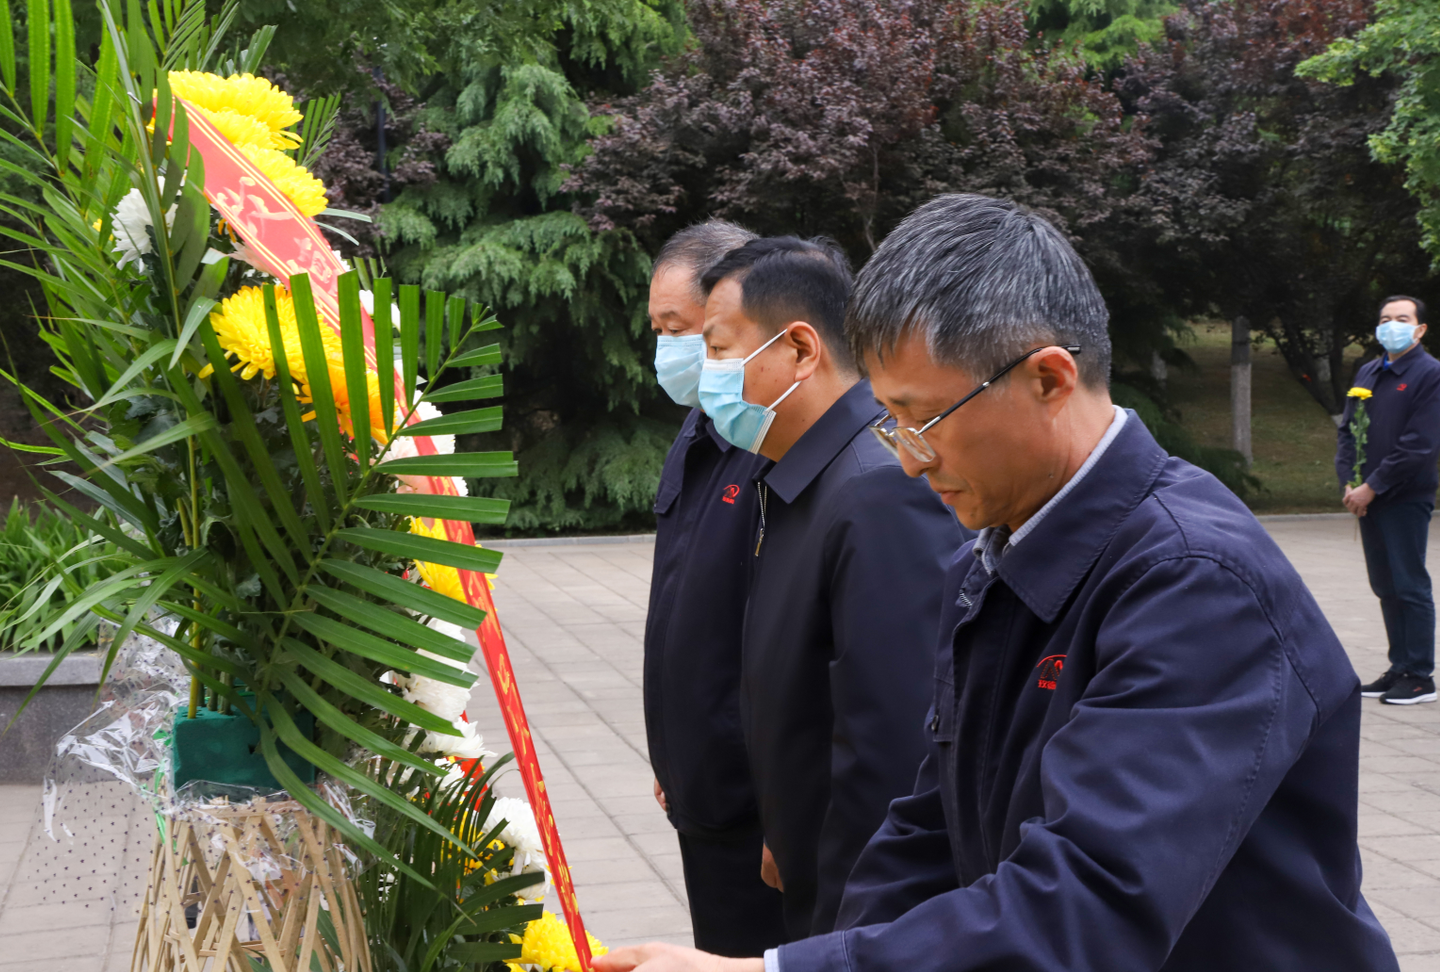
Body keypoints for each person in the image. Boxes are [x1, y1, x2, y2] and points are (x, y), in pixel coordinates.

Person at [596, 195, 1398, 972]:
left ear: (1048, 379)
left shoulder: (1192, 584)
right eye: (890, 419)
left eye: (922, 419)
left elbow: (1085, 903)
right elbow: (929, 826)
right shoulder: (993, 552)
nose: (909, 459)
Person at [696, 236, 968, 941]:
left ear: (799, 349)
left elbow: (898, 744)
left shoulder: (877, 489)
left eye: (719, 349)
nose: (706, 374)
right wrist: (785, 826)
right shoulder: (803, 475)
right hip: (817, 871)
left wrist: (857, 924)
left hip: (865, 906)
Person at [642, 220, 790, 956]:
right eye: (658, 330)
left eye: (680, 329)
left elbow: (791, 644)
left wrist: (786, 814)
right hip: (699, 790)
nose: (666, 348)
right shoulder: (703, 426)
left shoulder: (773, 441)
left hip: (755, 808)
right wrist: (672, 753)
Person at [1338, 295, 1440, 706]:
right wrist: (1350, 483)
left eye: (1401, 318)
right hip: (1367, 496)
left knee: (1409, 584)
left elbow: (1420, 443)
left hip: (1404, 495)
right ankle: (1399, 666)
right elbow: (1348, 432)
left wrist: (1374, 485)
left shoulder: (1430, 374)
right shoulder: (1369, 371)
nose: (1391, 325)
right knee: (1385, 585)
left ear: (1420, 329)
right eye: (1384, 319)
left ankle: (1419, 676)